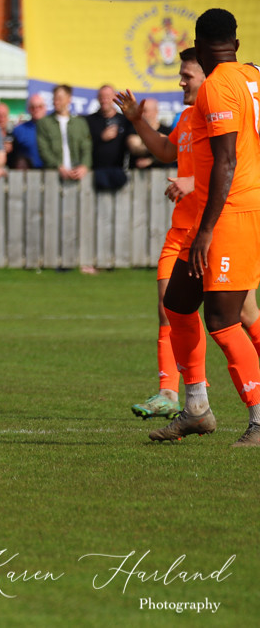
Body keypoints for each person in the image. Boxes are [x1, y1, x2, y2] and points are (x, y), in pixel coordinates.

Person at [150, 8, 260, 447]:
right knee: (178, 303)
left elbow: (227, 163)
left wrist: (207, 231)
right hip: (231, 209)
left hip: (230, 214)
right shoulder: (253, 73)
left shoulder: (217, 86)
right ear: (234, 39)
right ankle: (195, 408)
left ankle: (258, 420)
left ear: (199, 41)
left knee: (222, 319)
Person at [117, 49, 212, 419]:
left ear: (208, 77)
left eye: (187, 75)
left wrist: (189, 181)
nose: (181, 82)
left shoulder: (219, 116)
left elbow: (233, 167)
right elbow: (165, 150)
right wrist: (138, 121)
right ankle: (170, 393)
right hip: (181, 229)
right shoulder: (188, 117)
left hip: (214, 228)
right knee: (167, 308)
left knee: (239, 317)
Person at [37, 84, 92, 181]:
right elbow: (44, 149)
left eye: (60, 98)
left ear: (69, 99)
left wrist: (84, 166)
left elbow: (86, 147)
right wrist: (58, 166)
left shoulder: (80, 123)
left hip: (78, 175)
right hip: (53, 176)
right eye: (54, 98)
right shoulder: (44, 123)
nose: (56, 101)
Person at [86, 84, 132, 190]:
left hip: (120, 172)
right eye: (101, 97)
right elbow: (83, 146)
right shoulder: (89, 121)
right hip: (95, 173)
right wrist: (101, 138)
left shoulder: (125, 120)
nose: (104, 100)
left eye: (107, 97)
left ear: (114, 98)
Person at [126, 97, 170, 170]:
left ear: (155, 111)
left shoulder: (166, 130)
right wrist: (160, 146)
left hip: (162, 175)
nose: (142, 114)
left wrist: (151, 161)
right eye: (140, 111)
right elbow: (135, 148)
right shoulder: (134, 129)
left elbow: (171, 153)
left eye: (145, 111)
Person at [11, 94, 47, 169]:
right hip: (27, 174)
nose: (36, 110)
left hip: (51, 173)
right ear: (28, 109)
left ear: (45, 108)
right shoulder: (19, 130)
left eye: (40, 107)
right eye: (33, 107)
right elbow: (13, 156)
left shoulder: (54, 129)